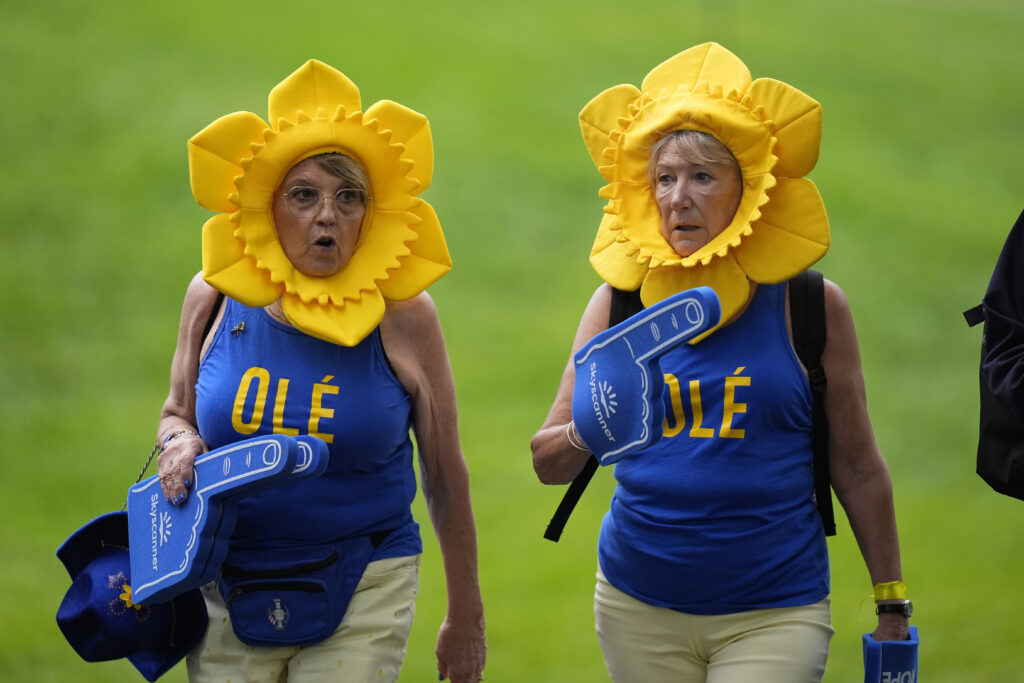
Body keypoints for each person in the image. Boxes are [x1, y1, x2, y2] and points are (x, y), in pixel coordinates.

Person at [531, 43, 910, 682]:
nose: (679, 198)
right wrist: (592, 426)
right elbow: (548, 463)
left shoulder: (810, 306)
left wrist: (891, 600)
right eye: (665, 178)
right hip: (635, 604)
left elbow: (858, 465)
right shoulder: (619, 301)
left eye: (703, 177)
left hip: (776, 609)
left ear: (749, 189)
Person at [155, 60, 485, 683]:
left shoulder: (405, 316)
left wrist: (465, 614)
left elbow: (444, 474)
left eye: (348, 197)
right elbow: (177, 412)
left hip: (368, 574)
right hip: (226, 576)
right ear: (267, 208)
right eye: (303, 195)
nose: (327, 215)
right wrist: (179, 442)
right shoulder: (215, 295)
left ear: (373, 214)